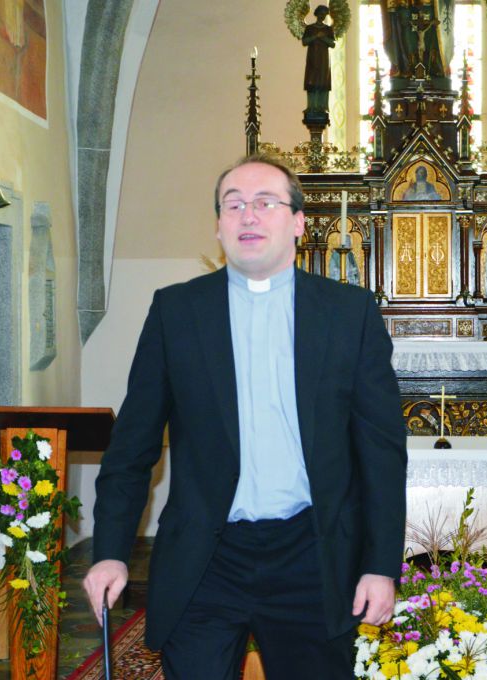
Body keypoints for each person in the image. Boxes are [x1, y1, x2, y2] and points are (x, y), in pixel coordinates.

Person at [83, 154, 408, 680]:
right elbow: (132, 445)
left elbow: (382, 453)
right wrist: (110, 552)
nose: (248, 216)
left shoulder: (349, 313)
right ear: (218, 226)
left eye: (264, 203)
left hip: (312, 554)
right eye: (232, 205)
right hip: (207, 558)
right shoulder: (177, 312)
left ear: (298, 222)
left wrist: (379, 565)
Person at [302, 5, 336, 114]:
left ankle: (322, 107)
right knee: (311, 81)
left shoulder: (328, 29)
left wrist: (323, 37)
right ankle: (311, 107)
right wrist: (316, 36)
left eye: (324, 14)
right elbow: (305, 42)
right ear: (316, 14)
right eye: (321, 13)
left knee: (323, 81)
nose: (322, 16)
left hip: (323, 60)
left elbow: (332, 44)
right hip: (312, 60)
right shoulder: (310, 28)